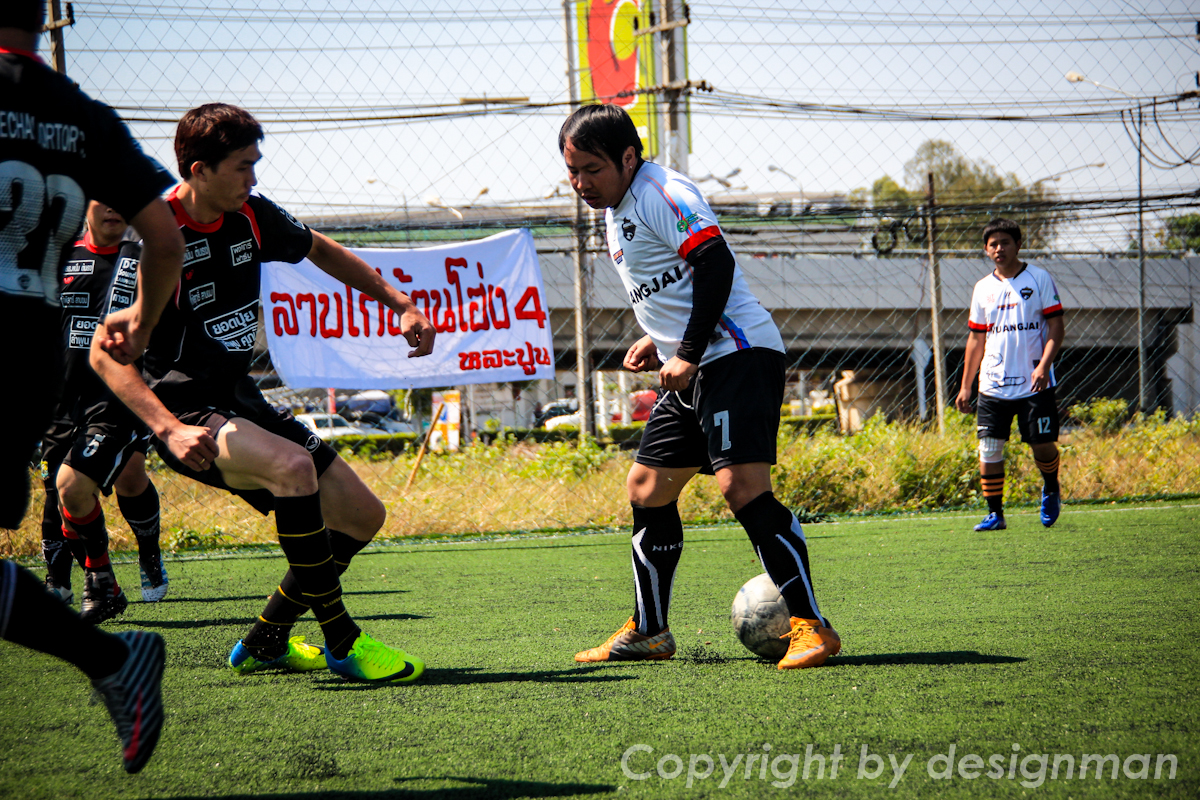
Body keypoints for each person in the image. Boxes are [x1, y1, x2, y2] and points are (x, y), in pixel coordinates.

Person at [90, 103, 436, 683]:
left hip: (238, 396)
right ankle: (343, 641)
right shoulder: (156, 237)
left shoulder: (250, 214)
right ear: (199, 171)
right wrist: (167, 429)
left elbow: (320, 248)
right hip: (184, 410)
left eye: (255, 164)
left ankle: (267, 639)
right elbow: (104, 352)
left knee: (361, 516)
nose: (253, 178)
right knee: (292, 468)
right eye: (242, 166)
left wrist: (398, 302)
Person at [559, 104, 839, 670]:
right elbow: (677, 282)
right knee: (647, 488)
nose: (580, 182)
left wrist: (685, 351)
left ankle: (812, 626)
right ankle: (650, 631)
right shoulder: (615, 208)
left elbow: (714, 264)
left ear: (628, 158)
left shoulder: (662, 193)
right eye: (572, 171)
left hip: (736, 355)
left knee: (743, 488)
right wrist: (659, 339)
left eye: (592, 169)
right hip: (691, 362)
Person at [1, 0, 182, 773]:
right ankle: (108, 648)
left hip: (50, 374)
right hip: (30, 365)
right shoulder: (84, 115)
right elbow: (167, 239)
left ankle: (112, 640)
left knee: (91, 482)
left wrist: (135, 334)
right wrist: (141, 323)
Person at [41, 202, 170, 621]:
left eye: (122, 199)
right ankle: (66, 579)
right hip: (63, 398)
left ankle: (144, 554)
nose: (114, 207)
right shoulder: (56, 256)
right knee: (59, 489)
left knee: (125, 477)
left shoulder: (146, 259)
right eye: (104, 198)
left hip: (119, 396)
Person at [955, 218, 1065, 531]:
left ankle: (1051, 487)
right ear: (986, 250)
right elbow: (976, 339)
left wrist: (1043, 366)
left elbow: (1056, 327)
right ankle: (995, 514)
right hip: (993, 384)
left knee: (1041, 445)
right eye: (993, 244)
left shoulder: (1039, 278)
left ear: (1018, 245)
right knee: (989, 447)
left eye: (1005, 242)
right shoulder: (982, 288)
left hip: (1035, 383)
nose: (999, 249)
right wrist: (966, 386)